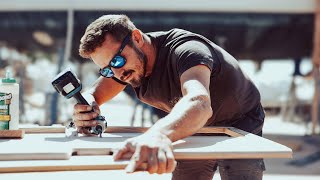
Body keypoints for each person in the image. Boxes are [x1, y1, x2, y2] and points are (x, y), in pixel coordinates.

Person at [73, 14, 266, 180]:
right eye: (106, 69)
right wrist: (87, 108)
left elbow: (199, 103)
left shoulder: (187, 51)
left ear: (137, 38)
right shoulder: (125, 68)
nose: (117, 73)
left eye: (117, 60)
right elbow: (93, 95)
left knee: (240, 172)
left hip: (239, 122)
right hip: (193, 124)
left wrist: (158, 134)